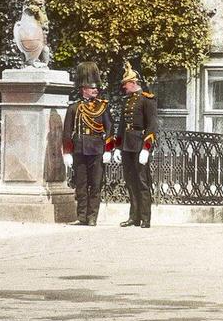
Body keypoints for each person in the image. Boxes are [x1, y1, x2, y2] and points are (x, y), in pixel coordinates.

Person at [61, 61, 114, 227]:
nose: (95, 91)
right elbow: (67, 132)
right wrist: (67, 152)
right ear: (84, 89)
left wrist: (108, 149)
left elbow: (110, 128)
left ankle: (92, 217)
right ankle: (82, 217)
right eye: (92, 88)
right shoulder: (74, 108)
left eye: (96, 89)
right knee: (81, 184)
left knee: (96, 185)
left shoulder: (103, 107)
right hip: (79, 149)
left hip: (97, 149)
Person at [113, 60, 158, 228]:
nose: (124, 87)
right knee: (130, 182)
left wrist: (146, 149)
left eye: (125, 84)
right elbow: (121, 126)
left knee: (142, 182)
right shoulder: (127, 101)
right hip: (127, 146)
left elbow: (151, 126)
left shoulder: (147, 100)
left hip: (139, 145)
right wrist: (118, 148)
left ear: (133, 83)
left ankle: (145, 218)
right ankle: (134, 217)